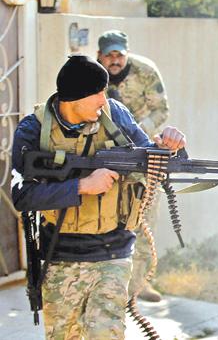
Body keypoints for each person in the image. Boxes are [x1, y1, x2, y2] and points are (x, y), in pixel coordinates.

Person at [11, 55, 186, 339]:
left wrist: (170, 147)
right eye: (97, 93)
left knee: (107, 333)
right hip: (62, 255)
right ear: (74, 98)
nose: (104, 100)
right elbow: (21, 196)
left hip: (114, 253)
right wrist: (81, 187)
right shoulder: (33, 130)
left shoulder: (115, 114)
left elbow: (150, 159)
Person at [96, 30, 170, 303]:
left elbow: (161, 110)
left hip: (142, 154)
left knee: (144, 216)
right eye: (109, 55)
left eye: (119, 55)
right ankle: (108, 281)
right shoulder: (92, 75)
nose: (115, 61)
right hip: (104, 156)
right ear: (99, 55)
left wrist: (136, 133)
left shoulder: (145, 71)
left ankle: (139, 284)